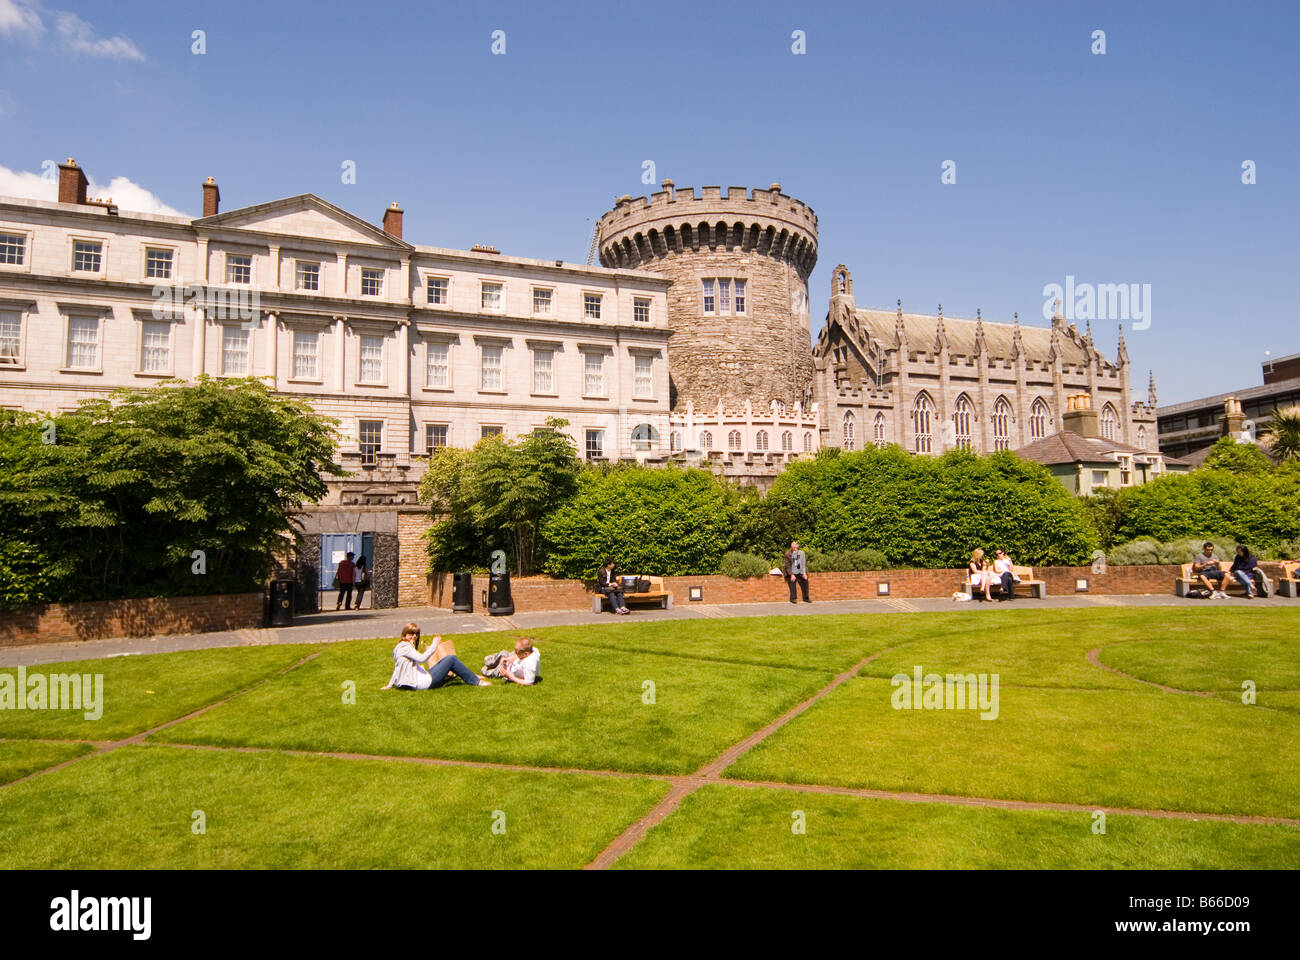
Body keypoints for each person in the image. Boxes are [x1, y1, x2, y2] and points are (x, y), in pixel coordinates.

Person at [381, 622, 490, 690]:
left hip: (417, 680)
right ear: (405, 634)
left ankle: (471, 676)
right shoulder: (405, 646)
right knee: (451, 659)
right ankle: (476, 681)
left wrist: (389, 685)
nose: (414, 637)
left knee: (445, 661)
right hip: (423, 683)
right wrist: (434, 644)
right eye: (411, 634)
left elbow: (397, 668)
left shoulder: (398, 647)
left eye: (416, 634)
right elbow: (422, 659)